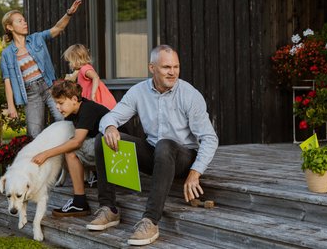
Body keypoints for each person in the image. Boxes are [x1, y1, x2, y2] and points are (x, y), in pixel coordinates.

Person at [87, 45, 219, 246]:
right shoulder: (139, 91)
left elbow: (210, 138)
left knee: (165, 145)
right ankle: (109, 209)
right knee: (102, 138)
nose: (172, 72)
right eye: (166, 67)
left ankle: (150, 220)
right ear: (152, 68)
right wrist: (111, 127)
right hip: (155, 154)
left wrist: (195, 172)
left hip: (182, 157)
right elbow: (110, 116)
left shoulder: (189, 94)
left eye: (176, 66)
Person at [0, 0, 82, 138]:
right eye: (19, 21)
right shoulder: (7, 54)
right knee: (34, 133)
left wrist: (69, 13)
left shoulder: (37, 38)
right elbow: (7, 81)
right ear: (10, 27)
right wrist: (11, 105)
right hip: (30, 94)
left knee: (65, 122)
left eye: (24, 20)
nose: (24, 23)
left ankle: (68, 156)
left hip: (50, 86)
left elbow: (57, 28)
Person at [31, 80, 110, 217]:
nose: (57, 107)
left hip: (118, 148)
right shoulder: (73, 113)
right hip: (103, 147)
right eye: (56, 103)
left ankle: (79, 202)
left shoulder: (87, 109)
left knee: (71, 149)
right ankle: (97, 176)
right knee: (71, 144)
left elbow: (77, 142)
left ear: (74, 99)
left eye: (61, 103)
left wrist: (45, 154)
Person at [62, 44, 117, 110]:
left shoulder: (84, 69)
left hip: (99, 101)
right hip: (95, 103)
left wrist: (93, 94)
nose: (69, 64)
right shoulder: (82, 70)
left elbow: (95, 77)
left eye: (70, 61)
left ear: (76, 59)